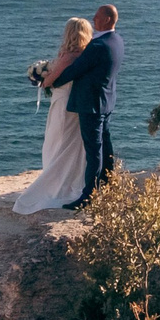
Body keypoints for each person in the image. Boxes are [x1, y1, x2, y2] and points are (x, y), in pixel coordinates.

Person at [12, 16, 94, 215]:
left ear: (69, 33)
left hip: (63, 104)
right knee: (73, 144)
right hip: (75, 104)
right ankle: (74, 181)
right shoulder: (87, 54)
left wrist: (41, 75)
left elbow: (49, 82)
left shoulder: (68, 56)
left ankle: (55, 184)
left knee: (57, 143)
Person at [46, 4, 123, 208]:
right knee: (105, 145)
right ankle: (108, 183)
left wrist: (50, 80)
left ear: (107, 20)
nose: (93, 19)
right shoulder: (116, 41)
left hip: (91, 104)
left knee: (93, 150)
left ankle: (88, 196)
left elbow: (74, 72)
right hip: (106, 101)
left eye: (97, 17)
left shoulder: (97, 46)